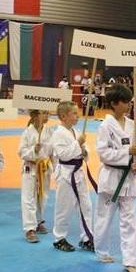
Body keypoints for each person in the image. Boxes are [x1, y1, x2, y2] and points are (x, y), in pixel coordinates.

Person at [94, 84, 136, 272]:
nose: (129, 104)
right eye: (125, 101)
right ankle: (101, 250)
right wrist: (126, 153)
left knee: (130, 221)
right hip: (111, 178)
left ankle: (131, 260)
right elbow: (103, 153)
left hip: (129, 178)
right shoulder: (105, 126)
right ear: (115, 104)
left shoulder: (133, 126)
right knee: (104, 218)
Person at [51, 101, 94, 252]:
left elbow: (83, 152)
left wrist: (84, 149)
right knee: (64, 208)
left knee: (86, 206)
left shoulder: (75, 131)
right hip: (66, 175)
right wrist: (78, 144)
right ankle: (59, 238)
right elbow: (63, 155)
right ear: (63, 116)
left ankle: (87, 237)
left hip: (79, 173)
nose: (78, 116)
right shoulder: (58, 134)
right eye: (74, 113)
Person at [18, 110, 53, 243]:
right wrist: (34, 150)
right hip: (31, 168)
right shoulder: (27, 132)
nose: (47, 116)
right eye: (44, 113)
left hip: (44, 168)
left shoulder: (49, 132)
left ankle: (38, 221)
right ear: (36, 115)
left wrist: (54, 165)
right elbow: (21, 152)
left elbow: (53, 151)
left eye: (48, 113)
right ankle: (29, 229)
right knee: (28, 197)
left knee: (42, 196)